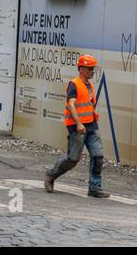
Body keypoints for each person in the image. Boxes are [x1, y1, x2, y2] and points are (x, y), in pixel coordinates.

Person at [44, 54, 110, 198]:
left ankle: (95, 188)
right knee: (73, 159)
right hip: (77, 127)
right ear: (81, 69)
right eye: (89, 68)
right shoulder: (74, 84)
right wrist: (79, 123)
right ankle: (51, 175)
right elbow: (71, 104)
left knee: (98, 156)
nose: (92, 71)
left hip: (91, 126)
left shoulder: (90, 85)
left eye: (93, 68)